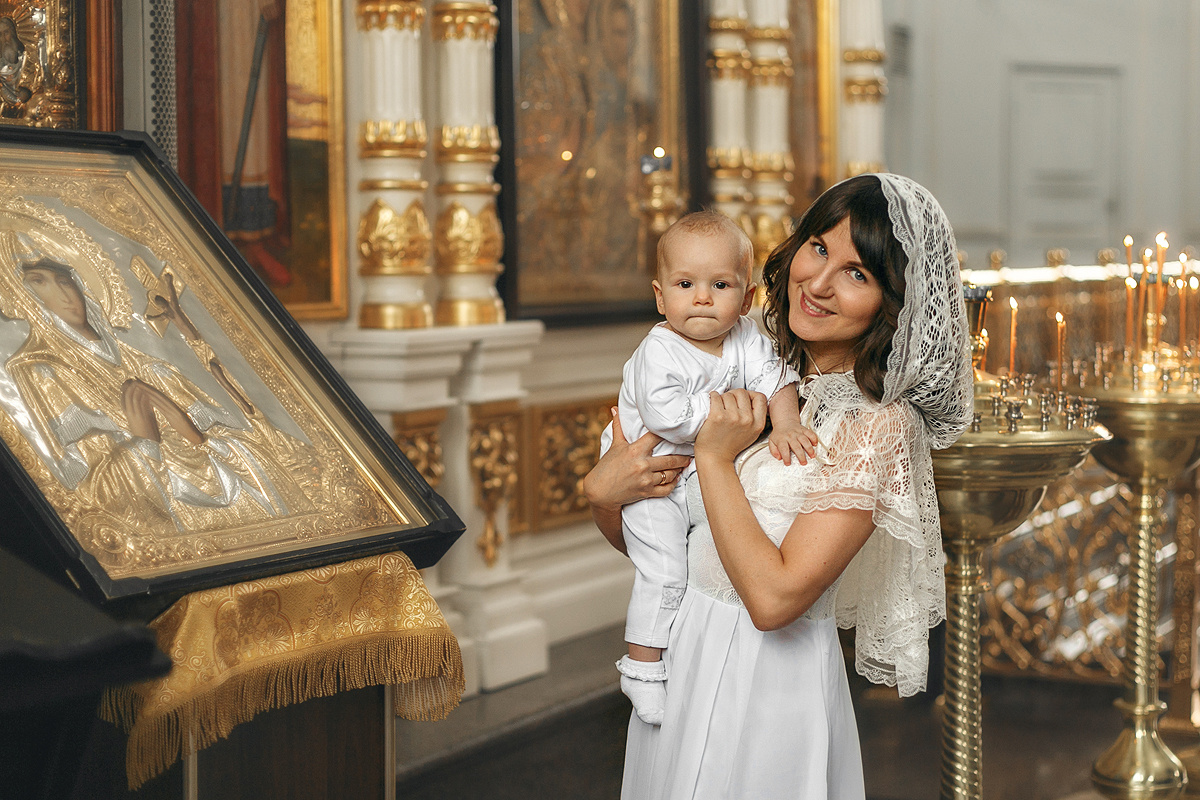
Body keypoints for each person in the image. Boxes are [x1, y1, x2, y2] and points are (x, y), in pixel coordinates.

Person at [584, 173, 973, 798]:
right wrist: (605, 492)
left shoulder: (877, 427)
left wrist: (712, 459)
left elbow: (775, 601)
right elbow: (661, 547)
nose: (817, 283)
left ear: (892, 305)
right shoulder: (755, 363)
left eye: (856, 273)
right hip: (682, 655)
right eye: (818, 248)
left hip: (767, 684)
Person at [603, 210, 817, 727]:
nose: (701, 297)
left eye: (719, 284)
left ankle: (684, 648)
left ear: (745, 299)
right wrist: (736, 417)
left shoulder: (748, 338)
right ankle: (642, 666)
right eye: (685, 284)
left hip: (698, 471)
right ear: (660, 297)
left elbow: (778, 382)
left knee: (703, 563)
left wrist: (784, 423)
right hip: (649, 480)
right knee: (663, 569)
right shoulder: (659, 351)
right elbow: (666, 416)